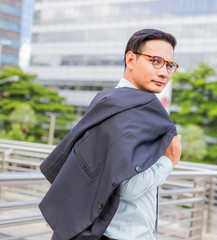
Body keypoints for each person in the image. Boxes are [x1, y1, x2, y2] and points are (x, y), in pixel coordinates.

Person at [39, 29, 182, 240]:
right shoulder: (138, 110)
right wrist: (168, 161)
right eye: (155, 61)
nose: (164, 72)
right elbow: (129, 187)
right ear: (131, 59)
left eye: (170, 65)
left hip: (92, 228)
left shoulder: (108, 101)